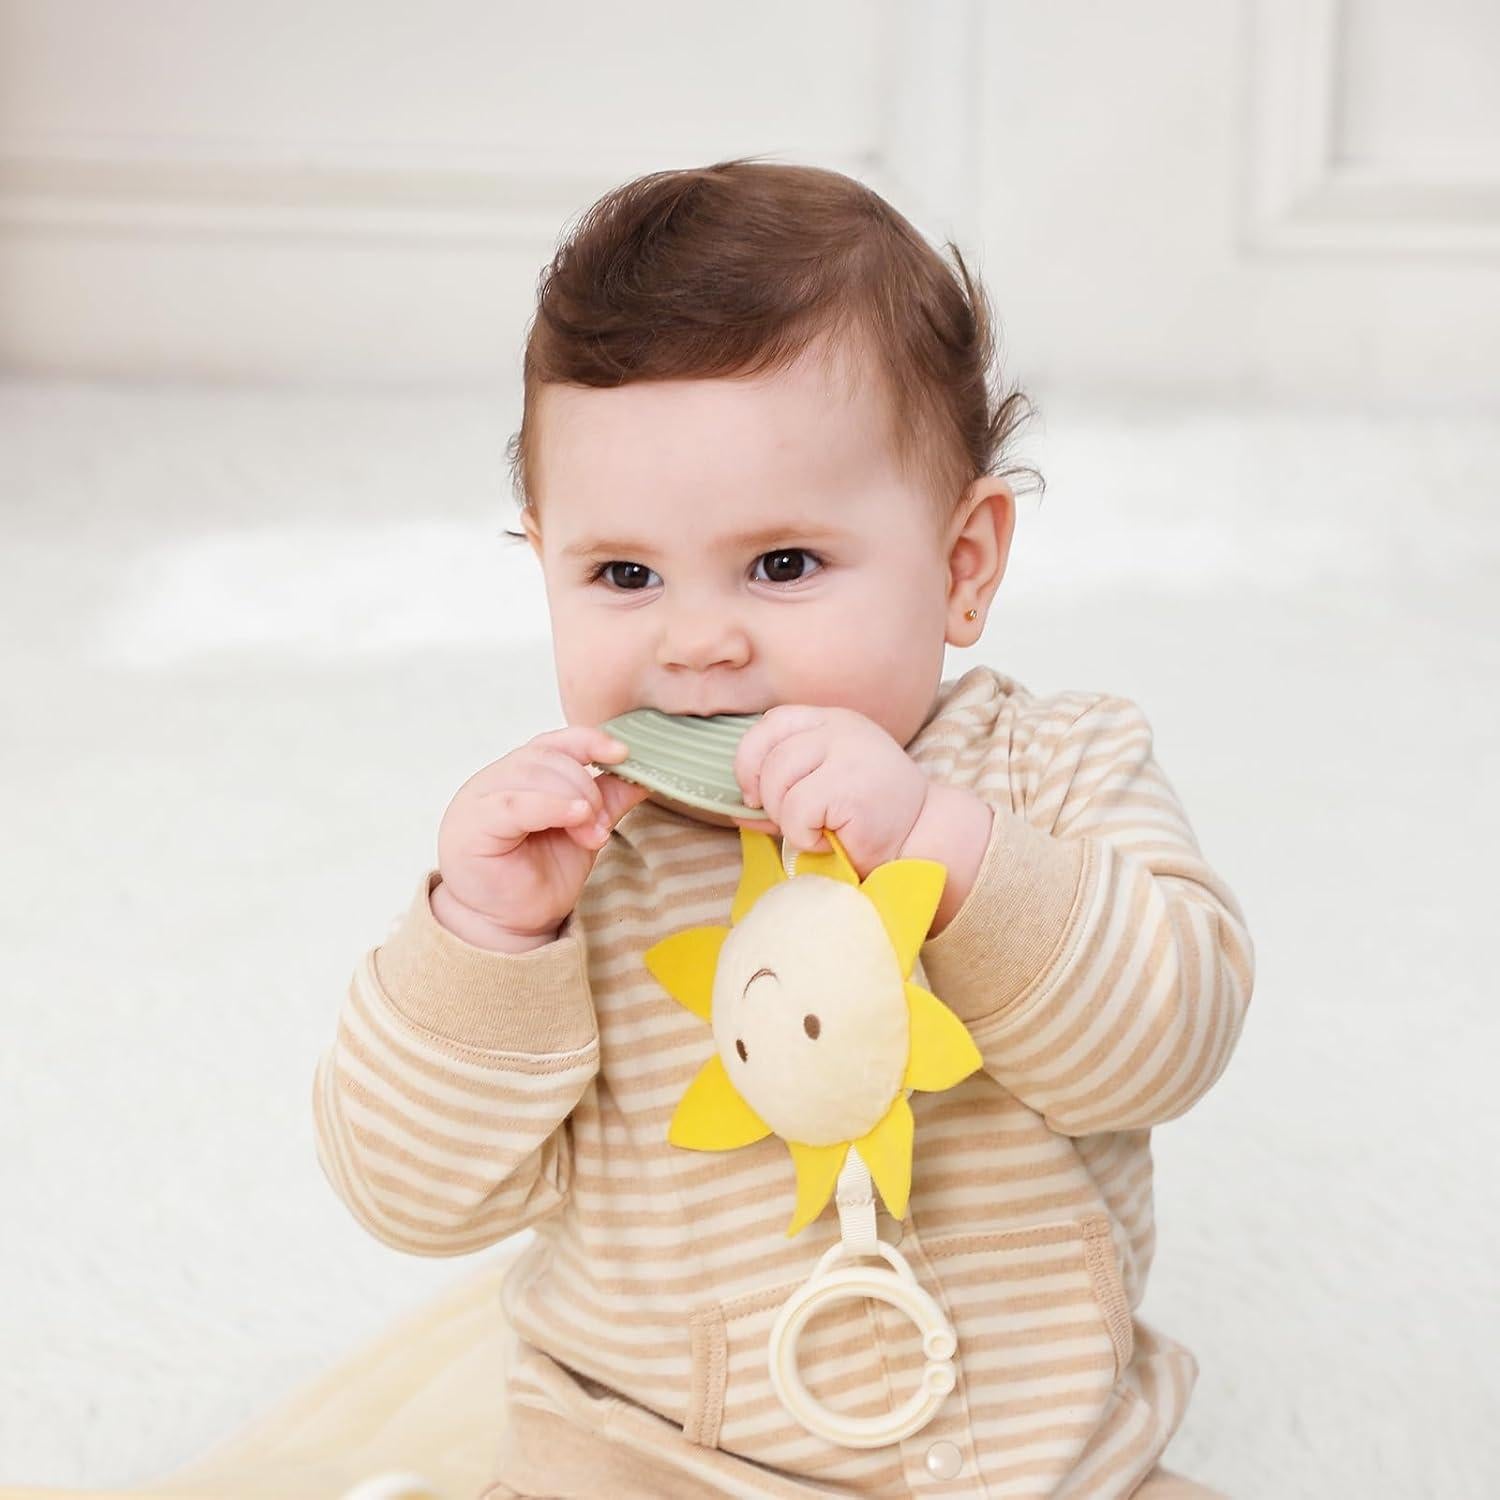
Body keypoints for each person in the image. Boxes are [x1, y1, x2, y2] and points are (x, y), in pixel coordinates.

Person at [312, 158, 1254, 1500]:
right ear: (544, 566)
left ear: (963, 563)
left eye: (784, 565)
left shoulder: (1057, 765)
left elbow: (1166, 1043)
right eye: (623, 575)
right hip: (650, 1451)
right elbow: (413, 1196)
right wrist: (481, 938)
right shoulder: (582, 859)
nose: (699, 643)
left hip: (1037, 1459)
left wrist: (943, 845)